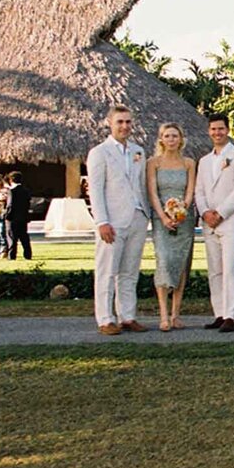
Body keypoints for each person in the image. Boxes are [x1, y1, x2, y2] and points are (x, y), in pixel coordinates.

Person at [86, 105, 150, 334]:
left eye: (128, 122)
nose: (124, 126)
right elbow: (96, 189)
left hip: (138, 217)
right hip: (112, 220)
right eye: (120, 122)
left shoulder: (138, 151)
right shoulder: (99, 153)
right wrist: (101, 221)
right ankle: (105, 319)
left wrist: (147, 212)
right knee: (107, 271)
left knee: (130, 272)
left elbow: (142, 183)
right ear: (110, 124)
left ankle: (128, 316)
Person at [194, 115, 234, 333]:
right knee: (215, 270)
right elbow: (199, 190)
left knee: (230, 269)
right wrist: (206, 212)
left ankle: (232, 315)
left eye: (221, 129)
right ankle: (219, 312)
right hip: (209, 222)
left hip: (229, 220)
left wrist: (220, 213)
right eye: (213, 129)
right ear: (209, 131)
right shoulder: (204, 161)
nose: (217, 132)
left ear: (228, 130)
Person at [146, 123, 196, 330]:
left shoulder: (189, 163)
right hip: (161, 218)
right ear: (161, 139)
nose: (171, 139)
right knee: (164, 261)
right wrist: (164, 216)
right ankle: (163, 315)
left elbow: (190, 190)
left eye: (175, 136)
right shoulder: (153, 163)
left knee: (181, 264)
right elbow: (152, 192)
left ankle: (176, 314)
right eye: (167, 136)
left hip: (184, 218)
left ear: (181, 139)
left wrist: (182, 210)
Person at [2, 172, 31, 259]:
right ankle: (27, 254)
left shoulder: (12, 191)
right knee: (24, 237)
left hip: (12, 218)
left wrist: (6, 215)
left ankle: (12, 255)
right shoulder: (26, 190)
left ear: (11, 180)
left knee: (12, 237)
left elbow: (10, 205)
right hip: (23, 216)